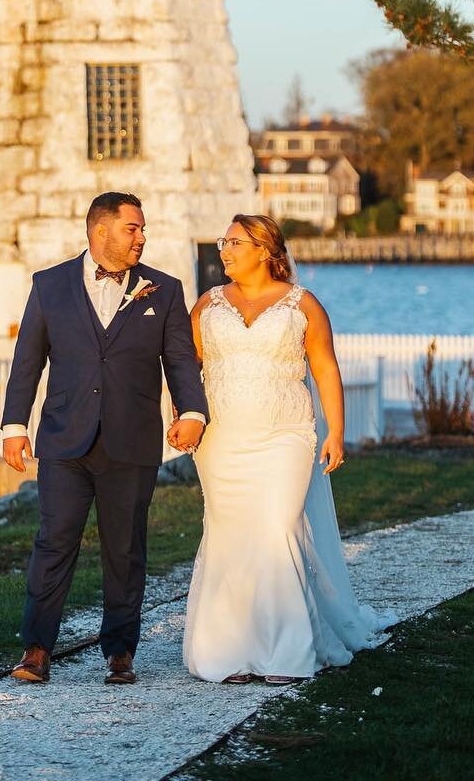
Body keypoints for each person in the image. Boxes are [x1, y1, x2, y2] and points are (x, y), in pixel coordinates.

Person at [0, 192, 208, 685]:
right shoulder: (49, 286)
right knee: (54, 540)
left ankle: (120, 651)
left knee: (125, 548)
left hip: (131, 441)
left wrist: (194, 410)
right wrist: (14, 426)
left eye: (142, 229)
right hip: (64, 440)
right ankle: (36, 650)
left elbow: (179, 360)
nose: (142, 237)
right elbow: (27, 360)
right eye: (133, 228)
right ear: (101, 232)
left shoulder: (165, 290)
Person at [181, 213, 388, 683]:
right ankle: (227, 650)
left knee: (277, 529)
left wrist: (336, 431)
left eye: (234, 242)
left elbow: (326, 369)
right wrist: (185, 415)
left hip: (286, 434)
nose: (224, 250)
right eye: (223, 241)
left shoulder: (302, 304)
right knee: (230, 535)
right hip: (222, 439)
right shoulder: (207, 304)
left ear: (264, 250)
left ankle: (288, 651)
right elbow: (184, 368)